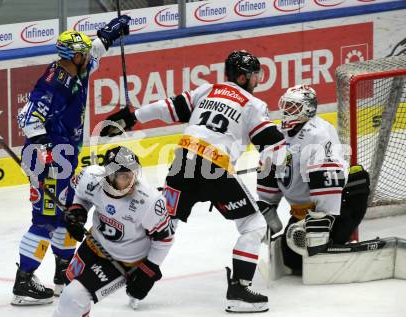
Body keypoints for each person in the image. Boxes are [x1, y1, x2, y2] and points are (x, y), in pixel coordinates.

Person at [100, 51, 286, 313]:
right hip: (214, 169)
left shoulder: (208, 90)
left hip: (182, 163)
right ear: (243, 77)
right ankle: (240, 291)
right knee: (253, 225)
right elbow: (275, 143)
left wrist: (133, 117)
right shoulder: (252, 104)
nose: (256, 80)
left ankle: (137, 284)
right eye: (255, 75)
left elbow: (168, 107)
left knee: (164, 225)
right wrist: (268, 162)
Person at [12, 16, 132, 306]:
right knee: (45, 220)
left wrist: (110, 34)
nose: (88, 56)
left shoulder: (78, 69)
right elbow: (27, 117)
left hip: (64, 155)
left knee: (68, 213)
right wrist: (44, 151)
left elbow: (97, 50)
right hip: (49, 158)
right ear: (73, 57)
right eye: (84, 53)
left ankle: (62, 275)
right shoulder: (53, 84)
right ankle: (23, 283)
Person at [256, 85, 370, 273]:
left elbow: (326, 178)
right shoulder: (277, 135)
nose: (286, 111)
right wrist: (267, 209)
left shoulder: (318, 134)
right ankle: (323, 236)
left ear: (307, 109)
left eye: (293, 107)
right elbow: (268, 174)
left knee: (358, 177)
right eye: (286, 105)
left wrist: (321, 222)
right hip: (302, 213)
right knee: (294, 261)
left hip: (336, 206)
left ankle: (334, 235)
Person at [52, 145, 174, 316]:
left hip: (124, 261)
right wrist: (78, 211)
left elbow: (164, 238)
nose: (131, 181)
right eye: (124, 176)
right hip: (94, 245)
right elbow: (80, 195)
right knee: (70, 287)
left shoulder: (149, 200)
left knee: (75, 295)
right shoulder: (91, 177)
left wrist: (149, 269)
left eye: (132, 174)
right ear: (109, 175)